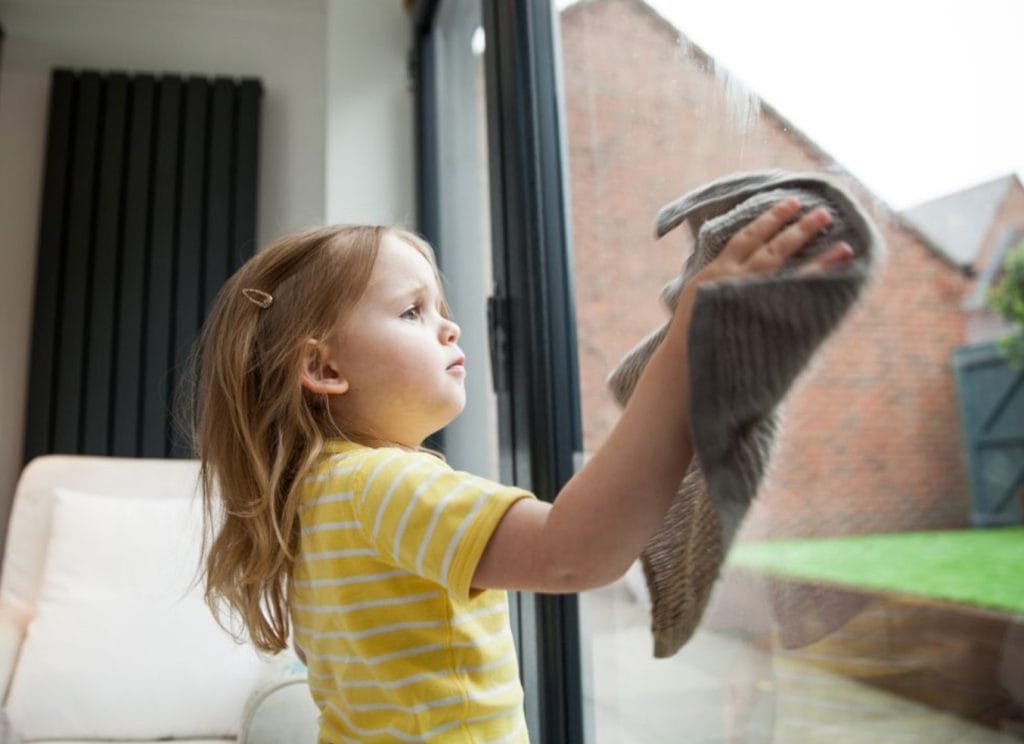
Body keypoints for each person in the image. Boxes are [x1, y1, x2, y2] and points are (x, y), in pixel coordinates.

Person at [191, 198, 852, 743]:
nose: (449, 329)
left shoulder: (312, 501)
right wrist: (684, 345)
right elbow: (574, 553)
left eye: (441, 310)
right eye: (413, 311)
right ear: (325, 369)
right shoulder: (383, 484)